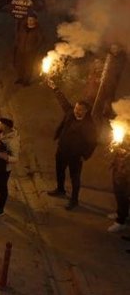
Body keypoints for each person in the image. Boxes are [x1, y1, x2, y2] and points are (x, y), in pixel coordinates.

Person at [46, 78, 99, 210]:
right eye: (76, 108)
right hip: (62, 150)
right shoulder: (70, 113)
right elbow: (63, 102)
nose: (77, 111)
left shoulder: (89, 125)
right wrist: (55, 88)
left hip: (75, 156)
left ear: (86, 111)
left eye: (80, 110)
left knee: (75, 178)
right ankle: (60, 189)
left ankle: (74, 200)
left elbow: (93, 142)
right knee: (59, 171)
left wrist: (85, 156)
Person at [0, 117, 20, 216]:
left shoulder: (13, 142)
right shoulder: (2, 133)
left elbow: (16, 158)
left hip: (5, 169)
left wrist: (6, 158)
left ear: (5, 126)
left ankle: (0, 208)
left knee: (2, 188)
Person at [14, 14, 43, 86]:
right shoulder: (23, 28)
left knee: (28, 66)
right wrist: (18, 44)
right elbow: (18, 36)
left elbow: (40, 40)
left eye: (31, 20)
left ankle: (26, 81)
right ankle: (20, 78)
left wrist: (34, 48)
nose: (30, 21)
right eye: (29, 20)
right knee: (19, 64)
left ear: (35, 21)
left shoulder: (37, 30)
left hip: (30, 52)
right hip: (20, 49)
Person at [107, 141, 130, 233]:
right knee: (119, 194)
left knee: (124, 196)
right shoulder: (126, 131)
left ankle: (121, 222)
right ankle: (120, 213)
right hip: (119, 169)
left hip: (127, 173)